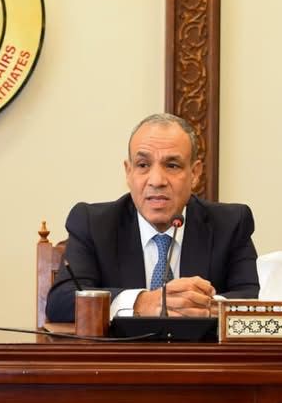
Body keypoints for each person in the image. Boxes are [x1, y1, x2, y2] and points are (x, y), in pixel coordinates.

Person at [45, 113, 259, 322]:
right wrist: (141, 302)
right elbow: (61, 301)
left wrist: (204, 306)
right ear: (128, 172)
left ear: (195, 173)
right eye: (143, 165)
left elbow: (253, 299)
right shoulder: (93, 224)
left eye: (172, 165)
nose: (156, 181)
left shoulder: (231, 224)